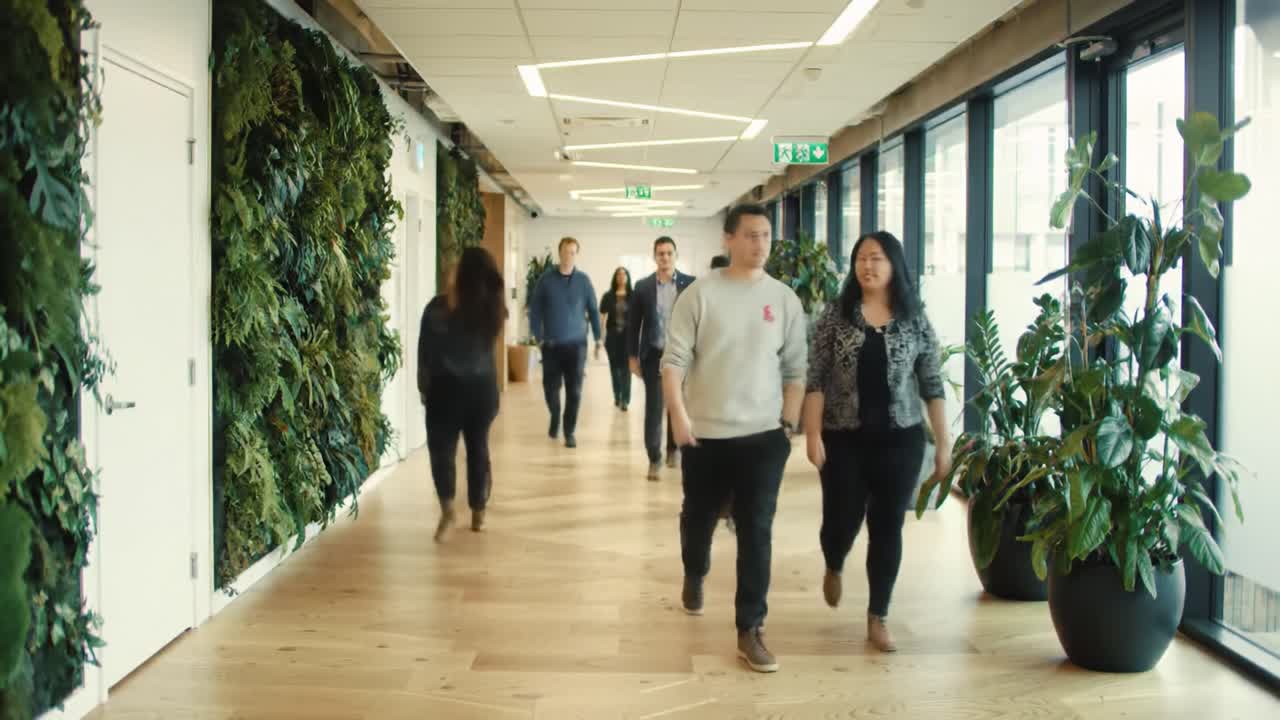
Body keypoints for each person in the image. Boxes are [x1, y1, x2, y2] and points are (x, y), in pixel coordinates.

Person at [662, 204, 807, 673]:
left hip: (763, 438)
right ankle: (695, 572)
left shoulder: (783, 299)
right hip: (705, 437)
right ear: (728, 239)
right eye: (750, 235)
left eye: (765, 235)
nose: (760, 243)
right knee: (698, 519)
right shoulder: (700, 295)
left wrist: (787, 425)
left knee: (757, 529)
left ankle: (751, 628)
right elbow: (673, 362)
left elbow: (796, 369)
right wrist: (679, 417)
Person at [802, 231, 951, 653]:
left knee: (887, 527)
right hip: (843, 439)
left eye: (877, 258)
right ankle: (834, 561)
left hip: (900, 440)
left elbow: (932, 384)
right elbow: (816, 379)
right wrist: (812, 434)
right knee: (841, 520)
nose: (867, 266)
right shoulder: (836, 316)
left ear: (894, 266)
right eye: (861, 259)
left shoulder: (914, 319)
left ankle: (878, 616)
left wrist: (944, 443)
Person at [417, 246, 507, 543]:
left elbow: (425, 352)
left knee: (442, 453)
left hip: (445, 393)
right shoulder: (490, 309)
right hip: (481, 393)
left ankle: (449, 512)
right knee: (478, 449)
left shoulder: (437, 309)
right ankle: (478, 511)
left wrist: (423, 388)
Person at [626, 237, 695, 481]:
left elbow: (699, 321)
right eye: (660, 253)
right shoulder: (643, 286)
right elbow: (633, 324)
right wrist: (632, 356)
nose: (665, 257)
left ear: (676, 255)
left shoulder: (691, 284)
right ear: (654, 257)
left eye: (669, 253)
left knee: (677, 406)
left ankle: (673, 450)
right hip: (654, 355)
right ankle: (654, 458)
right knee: (654, 409)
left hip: (681, 357)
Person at [529, 237, 603, 449]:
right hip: (551, 345)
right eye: (565, 251)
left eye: (572, 252)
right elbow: (535, 310)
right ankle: (555, 415)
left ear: (576, 255)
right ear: (559, 252)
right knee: (550, 389)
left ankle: (569, 431)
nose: (568, 255)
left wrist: (598, 338)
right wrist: (538, 336)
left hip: (577, 346)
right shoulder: (546, 280)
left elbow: (593, 311)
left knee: (575, 391)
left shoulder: (583, 281)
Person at [599, 267, 633, 411]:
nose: (621, 276)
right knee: (614, 368)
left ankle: (625, 399)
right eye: (618, 274)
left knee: (626, 369)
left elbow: (639, 317)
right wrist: (600, 337)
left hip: (628, 337)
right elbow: (602, 317)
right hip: (612, 337)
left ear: (627, 277)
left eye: (624, 274)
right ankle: (617, 396)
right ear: (615, 277)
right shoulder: (608, 296)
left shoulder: (633, 295)